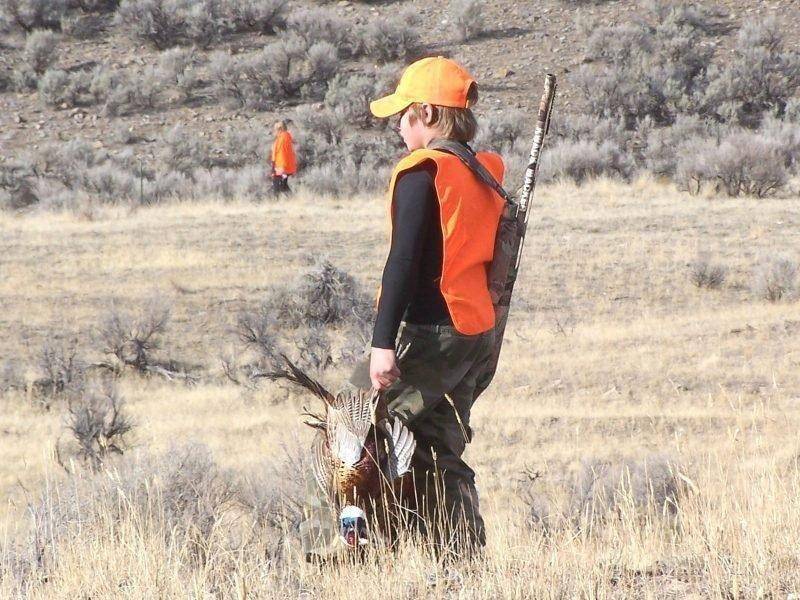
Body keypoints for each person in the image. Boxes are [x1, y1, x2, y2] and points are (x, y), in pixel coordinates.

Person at [300, 56, 506, 561]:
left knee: (349, 421)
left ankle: (354, 542)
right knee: (438, 444)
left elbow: (403, 264)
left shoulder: (423, 173)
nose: (399, 125)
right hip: (475, 331)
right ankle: (463, 562)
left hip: (431, 328)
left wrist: (381, 343)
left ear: (431, 115)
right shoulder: (484, 172)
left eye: (406, 114)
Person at [270, 120, 296, 195]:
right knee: (283, 185)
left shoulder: (282, 139)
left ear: (280, 129)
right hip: (285, 166)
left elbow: (281, 154)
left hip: (281, 167)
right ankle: (293, 200)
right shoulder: (285, 137)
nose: (274, 131)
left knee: (276, 185)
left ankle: (275, 202)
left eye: (275, 129)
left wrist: (279, 168)